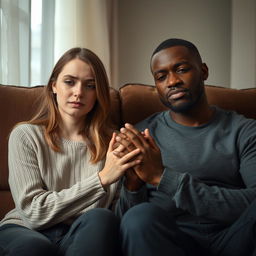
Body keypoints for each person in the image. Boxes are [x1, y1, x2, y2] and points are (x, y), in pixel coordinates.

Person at [115, 38, 256, 256]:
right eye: (161, 77)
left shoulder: (244, 130)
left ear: (204, 71)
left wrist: (163, 178)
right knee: (139, 218)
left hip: (234, 239)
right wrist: (133, 187)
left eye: (181, 69)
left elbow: (252, 202)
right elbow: (126, 225)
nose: (172, 81)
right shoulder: (141, 135)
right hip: (172, 243)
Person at [0, 47, 141, 256]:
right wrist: (101, 179)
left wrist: (133, 185)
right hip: (25, 229)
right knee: (35, 248)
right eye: (69, 81)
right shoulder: (25, 136)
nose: (78, 92)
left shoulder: (114, 142)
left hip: (84, 232)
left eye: (90, 85)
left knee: (102, 218)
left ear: (98, 94)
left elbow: (122, 222)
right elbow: (33, 213)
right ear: (54, 85)